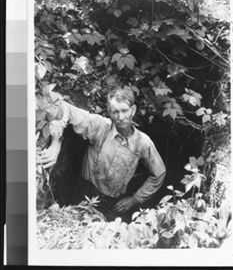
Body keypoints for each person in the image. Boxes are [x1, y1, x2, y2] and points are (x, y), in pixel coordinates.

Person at [38, 86, 166, 222]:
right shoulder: (100, 126)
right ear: (109, 111)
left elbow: (159, 173)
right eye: (115, 112)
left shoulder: (143, 143)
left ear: (133, 110)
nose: (121, 117)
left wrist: (135, 199)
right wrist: (56, 143)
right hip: (83, 190)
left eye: (124, 111)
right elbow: (64, 108)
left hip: (112, 201)